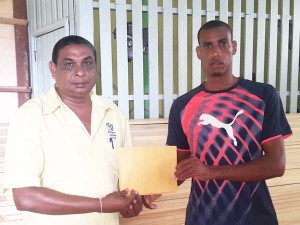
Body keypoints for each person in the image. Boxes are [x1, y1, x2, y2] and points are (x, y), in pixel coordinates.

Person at [144, 20, 292, 225]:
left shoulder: (263, 95)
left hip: (255, 217)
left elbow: (277, 165)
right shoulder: (183, 105)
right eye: (208, 46)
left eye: (223, 43)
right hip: (202, 218)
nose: (216, 52)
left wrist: (212, 171)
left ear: (234, 47)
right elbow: (178, 167)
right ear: (198, 52)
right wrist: (150, 189)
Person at [3, 35, 143, 225]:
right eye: (69, 65)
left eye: (87, 64)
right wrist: (100, 204)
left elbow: (126, 179)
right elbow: (25, 197)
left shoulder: (112, 112)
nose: (80, 72)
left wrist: (129, 203)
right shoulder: (31, 116)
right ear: (53, 69)